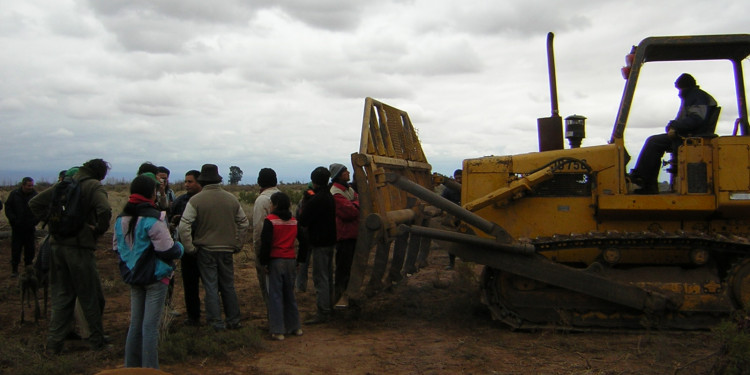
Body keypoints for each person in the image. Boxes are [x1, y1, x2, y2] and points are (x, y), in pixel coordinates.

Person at [29, 159, 112, 354]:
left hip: (56, 246)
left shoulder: (64, 184)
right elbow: (105, 210)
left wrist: (53, 223)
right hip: (79, 248)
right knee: (91, 296)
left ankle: (54, 343)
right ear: (100, 174)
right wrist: (96, 230)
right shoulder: (93, 186)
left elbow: (34, 203)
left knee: (61, 295)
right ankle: (97, 341)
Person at [113, 174, 184, 369]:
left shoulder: (121, 219)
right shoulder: (155, 219)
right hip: (155, 277)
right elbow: (167, 250)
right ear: (151, 193)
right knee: (150, 327)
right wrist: (181, 248)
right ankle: (150, 369)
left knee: (135, 325)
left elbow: (116, 247)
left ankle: (131, 367)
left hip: (133, 276)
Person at [178, 164, 249, 331]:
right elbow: (244, 223)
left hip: (206, 250)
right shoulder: (231, 198)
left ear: (202, 181)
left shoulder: (195, 200)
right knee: (228, 285)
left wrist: (190, 248)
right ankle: (234, 320)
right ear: (218, 180)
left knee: (210, 286)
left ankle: (216, 323)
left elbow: (183, 226)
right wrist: (237, 244)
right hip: (226, 249)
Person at [630, 73, 718, 194]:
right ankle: (646, 181)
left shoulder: (696, 97)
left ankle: (643, 179)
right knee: (655, 142)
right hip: (687, 134)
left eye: (679, 88)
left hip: (691, 136)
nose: (678, 92)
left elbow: (696, 119)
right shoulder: (692, 96)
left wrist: (675, 127)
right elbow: (686, 119)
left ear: (684, 86)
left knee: (654, 142)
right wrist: (672, 126)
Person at [259, 192, 304, 340]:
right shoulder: (294, 221)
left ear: (275, 205)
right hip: (291, 260)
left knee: (276, 296)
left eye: (271, 203)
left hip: (275, 261)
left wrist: (263, 262)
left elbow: (265, 243)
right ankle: (295, 327)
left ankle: (278, 330)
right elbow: (305, 241)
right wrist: (300, 260)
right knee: (290, 294)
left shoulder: (270, 221)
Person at [298, 167, 337, 324]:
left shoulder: (316, 199)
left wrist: (307, 201)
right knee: (328, 276)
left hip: (319, 242)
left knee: (320, 277)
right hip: (330, 240)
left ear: (313, 181)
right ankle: (330, 307)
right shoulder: (329, 196)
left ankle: (323, 312)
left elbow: (303, 220)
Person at [170, 169, 203, 326]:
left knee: (212, 284)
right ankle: (193, 316)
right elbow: (170, 220)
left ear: (199, 182)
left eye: (190, 181)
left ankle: (213, 314)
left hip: (204, 248)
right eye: (186, 181)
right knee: (190, 285)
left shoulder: (206, 200)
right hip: (187, 250)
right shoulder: (180, 201)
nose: (186, 184)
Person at [328, 163, 359, 306]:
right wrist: (357, 204)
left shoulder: (348, 189)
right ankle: (339, 299)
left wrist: (354, 203)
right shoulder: (335, 192)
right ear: (339, 174)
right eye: (345, 171)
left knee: (351, 269)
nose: (348, 172)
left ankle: (347, 298)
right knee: (343, 270)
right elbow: (349, 212)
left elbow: (355, 205)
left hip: (352, 235)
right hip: (345, 236)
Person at [252, 168, 280, 309]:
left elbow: (258, 230)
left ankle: (273, 320)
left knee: (267, 287)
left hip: (267, 251)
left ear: (259, 181)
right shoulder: (282, 196)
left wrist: (259, 253)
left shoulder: (262, 200)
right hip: (284, 250)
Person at [5, 177, 38, 277]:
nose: (30, 187)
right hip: (17, 228)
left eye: (32, 185)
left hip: (30, 228)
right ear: (23, 185)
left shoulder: (35, 195)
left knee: (30, 250)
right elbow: (8, 207)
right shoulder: (14, 194)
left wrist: (34, 222)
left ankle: (28, 270)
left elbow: (40, 210)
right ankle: (14, 270)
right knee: (16, 250)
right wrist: (13, 220)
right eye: (28, 185)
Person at [294, 183, 314, 293]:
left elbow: (297, 217)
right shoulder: (319, 200)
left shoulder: (303, 201)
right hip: (317, 237)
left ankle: (300, 287)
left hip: (305, 236)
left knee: (303, 262)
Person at [441, 169, 462, 270]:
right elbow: (442, 201)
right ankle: (451, 263)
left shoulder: (469, 187)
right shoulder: (449, 190)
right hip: (453, 219)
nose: (458, 180)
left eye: (460, 178)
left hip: (468, 219)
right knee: (452, 240)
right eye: (456, 178)